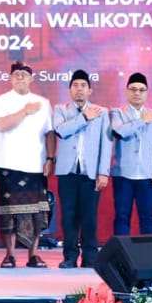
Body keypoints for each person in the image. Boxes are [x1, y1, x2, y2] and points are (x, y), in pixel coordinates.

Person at [0, 61, 54, 268]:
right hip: (8, 163)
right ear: (10, 78)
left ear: (31, 79)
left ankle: (33, 255)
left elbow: (49, 132)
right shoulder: (1, 100)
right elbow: (1, 125)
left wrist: (50, 158)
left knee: (36, 212)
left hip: (35, 164)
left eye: (24, 74)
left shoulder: (43, 102)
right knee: (9, 212)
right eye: (16, 74)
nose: (20, 77)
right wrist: (25, 111)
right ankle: (9, 255)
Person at [52, 69, 111, 269]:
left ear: (90, 90)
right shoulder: (61, 110)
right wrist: (84, 117)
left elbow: (106, 143)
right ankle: (69, 256)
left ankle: (90, 256)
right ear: (69, 90)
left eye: (83, 86)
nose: (79, 89)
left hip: (91, 173)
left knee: (89, 217)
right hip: (67, 172)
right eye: (75, 86)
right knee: (68, 216)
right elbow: (61, 131)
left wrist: (103, 172)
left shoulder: (101, 112)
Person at [109, 72, 152, 236]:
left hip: (147, 174)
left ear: (147, 93)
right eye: (133, 89)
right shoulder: (118, 113)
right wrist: (142, 121)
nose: (137, 93)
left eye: (141, 90)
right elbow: (119, 131)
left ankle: (147, 252)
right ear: (127, 91)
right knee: (122, 216)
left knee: (147, 217)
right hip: (123, 174)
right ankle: (121, 251)